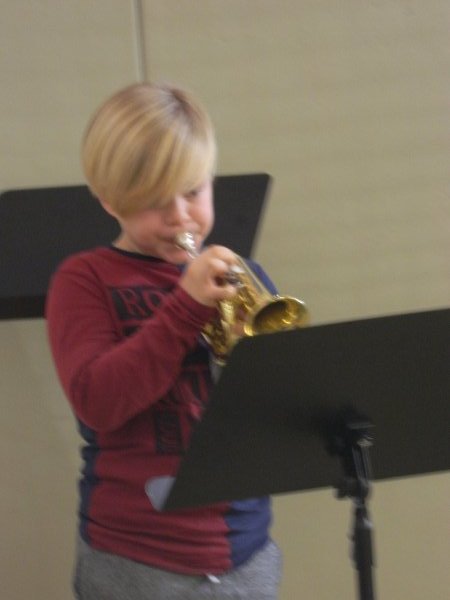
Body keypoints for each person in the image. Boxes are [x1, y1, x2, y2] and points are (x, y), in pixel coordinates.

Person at [46, 82, 282, 600]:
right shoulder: (84, 280)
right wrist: (185, 308)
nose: (179, 216)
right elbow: (98, 402)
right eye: (155, 202)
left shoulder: (242, 278)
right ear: (109, 199)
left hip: (245, 553)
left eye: (193, 191)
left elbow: (277, 415)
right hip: (135, 559)